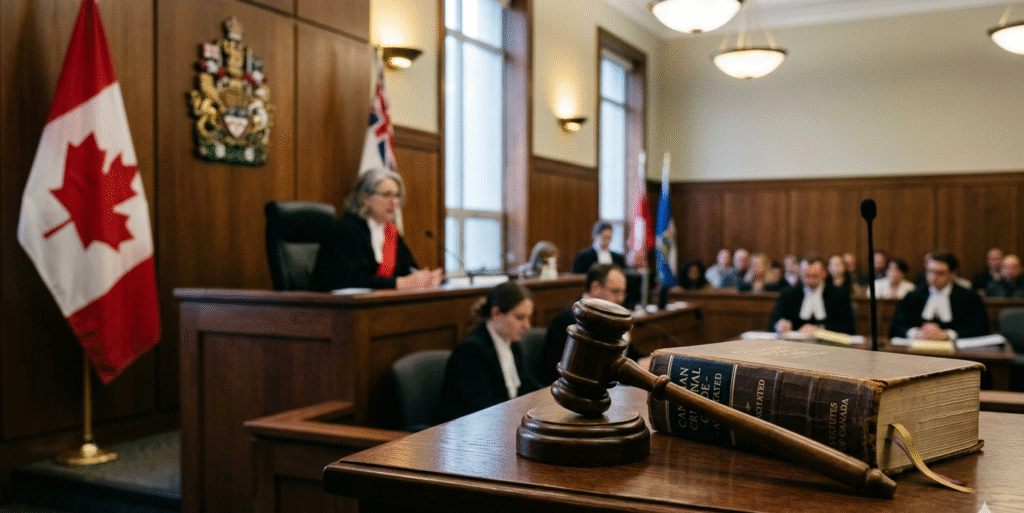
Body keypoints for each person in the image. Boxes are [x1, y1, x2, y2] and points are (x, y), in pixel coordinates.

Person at [311, 169, 442, 291]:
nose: (394, 202)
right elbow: (349, 280)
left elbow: (407, 270)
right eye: (386, 195)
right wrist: (398, 283)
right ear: (365, 198)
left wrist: (424, 279)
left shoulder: (391, 233)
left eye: (397, 196)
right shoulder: (346, 230)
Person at [438, 282, 543, 422]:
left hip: (503, 421)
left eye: (528, 317)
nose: (527, 325)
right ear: (496, 313)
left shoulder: (511, 341)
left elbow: (524, 383)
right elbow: (481, 406)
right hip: (468, 429)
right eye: (520, 317)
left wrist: (549, 396)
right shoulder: (470, 351)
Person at [538, 264, 628, 384]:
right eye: (615, 291)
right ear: (595, 287)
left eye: (623, 293)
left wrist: (641, 361)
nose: (621, 299)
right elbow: (556, 368)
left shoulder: (609, 315)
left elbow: (622, 353)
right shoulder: (567, 319)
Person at [889, 251, 988, 341]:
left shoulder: (969, 297)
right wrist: (915, 333)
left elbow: (980, 328)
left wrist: (948, 335)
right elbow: (896, 326)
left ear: (952, 274)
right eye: (930, 271)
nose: (934, 277)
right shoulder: (912, 296)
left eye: (940, 273)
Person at [768, 254, 856, 335]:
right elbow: (773, 322)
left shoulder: (839, 294)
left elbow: (848, 327)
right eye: (806, 276)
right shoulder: (788, 293)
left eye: (814, 276)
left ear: (824, 273)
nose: (809, 281)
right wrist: (779, 325)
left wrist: (820, 329)